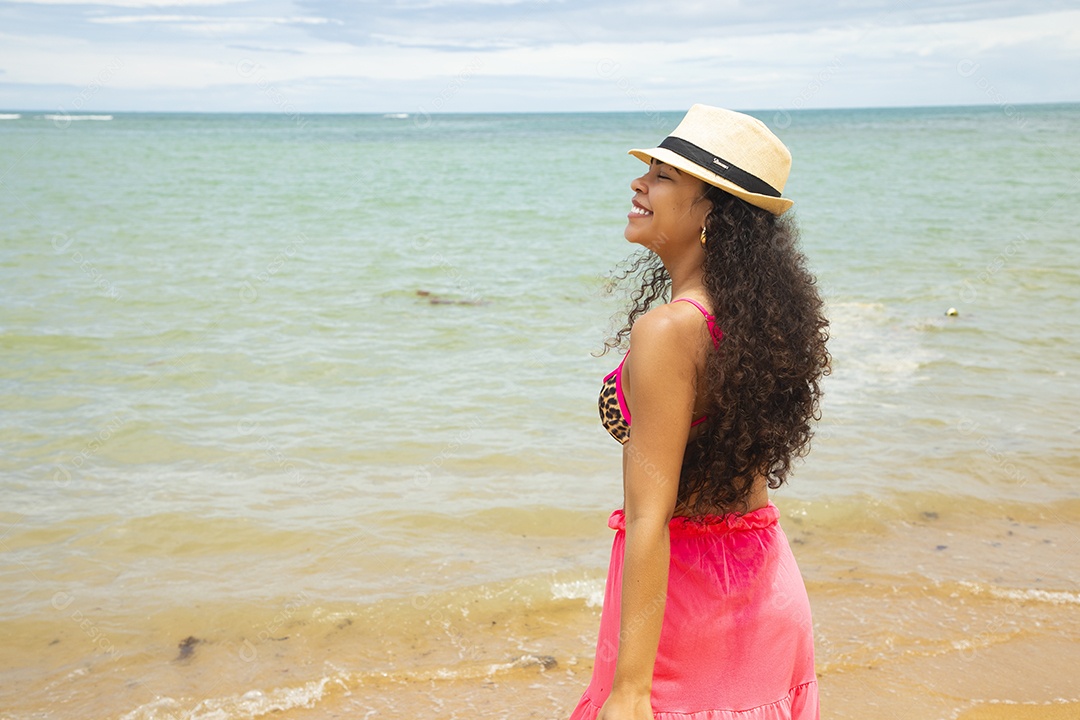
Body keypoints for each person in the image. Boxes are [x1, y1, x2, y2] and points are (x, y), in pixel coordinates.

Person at [569, 105, 829, 720]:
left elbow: (649, 517)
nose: (638, 184)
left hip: (686, 612)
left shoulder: (669, 329)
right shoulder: (755, 319)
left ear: (713, 210)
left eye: (662, 177)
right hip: (764, 582)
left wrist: (631, 690)